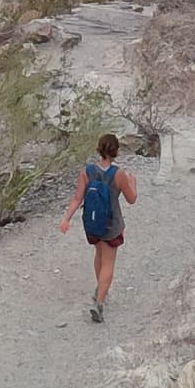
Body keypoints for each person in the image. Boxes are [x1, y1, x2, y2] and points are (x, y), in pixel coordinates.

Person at [60, 132, 138, 323]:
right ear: (116, 151)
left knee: (99, 255)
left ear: (99, 149)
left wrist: (67, 219)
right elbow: (132, 199)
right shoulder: (118, 174)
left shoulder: (87, 171)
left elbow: (78, 198)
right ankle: (99, 303)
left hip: (92, 223)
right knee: (109, 262)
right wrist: (133, 183)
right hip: (112, 225)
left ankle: (99, 289)